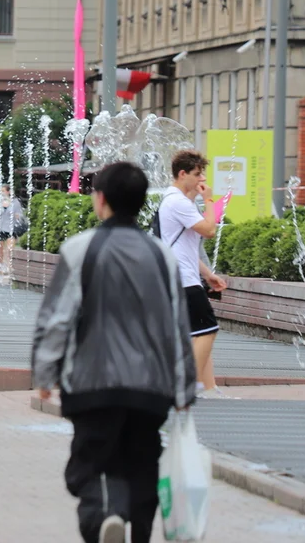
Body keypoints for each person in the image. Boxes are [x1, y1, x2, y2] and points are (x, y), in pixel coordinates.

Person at [33, 162, 196, 543]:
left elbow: (57, 319)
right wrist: (185, 387)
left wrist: (44, 374)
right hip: (151, 387)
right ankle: (137, 531)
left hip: (92, 383)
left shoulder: (80, 249)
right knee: (142, 466)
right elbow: (177, 324)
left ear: (100, 200)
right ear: (141, 203)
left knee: (91, 467)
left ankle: (107, 514)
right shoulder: (162, 255)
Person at [158, 149, 228, 397]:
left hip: (185, 274)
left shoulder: (179, 201)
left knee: (198, 334)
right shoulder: (177, 201)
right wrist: (209, 200)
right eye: (197, 174)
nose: (202, 180)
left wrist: (207, 274)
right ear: (182, 174)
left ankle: (208, 388)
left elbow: (186, 247)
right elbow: (208, 230)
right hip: (181, 278)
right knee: (208, 330)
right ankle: (185, 385)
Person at [0, 184, 25, 276]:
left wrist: (18, 216)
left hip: (11, 229)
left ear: (8, 192)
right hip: (0, 228)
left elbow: (21, 215)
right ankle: (0, 267)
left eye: (3, 191)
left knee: (10, 249)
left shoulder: (15, 202)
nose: (2, 193)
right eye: (1, 191)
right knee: (0, 250)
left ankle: (11, 267)